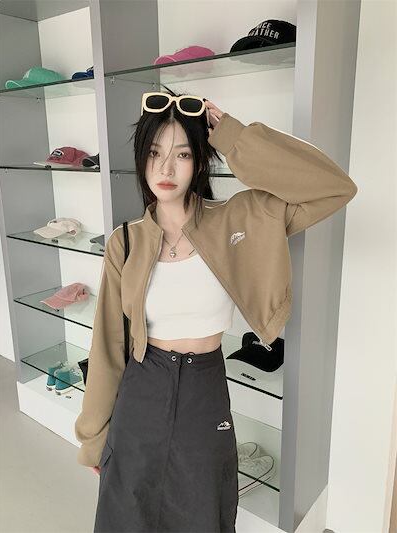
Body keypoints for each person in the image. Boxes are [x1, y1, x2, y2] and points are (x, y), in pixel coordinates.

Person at [74, 85, 358, 533]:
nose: (166, 168)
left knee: (204, 516)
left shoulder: (239, 220)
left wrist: (232, 135)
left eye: (183, 154)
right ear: (141, 158)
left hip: (204, 392)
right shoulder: (124, 241)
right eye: (155, 152)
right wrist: (93, 437)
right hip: (141, 394)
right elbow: (108, 347)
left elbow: (333, 187)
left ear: (200, 160)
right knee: (126, 519)